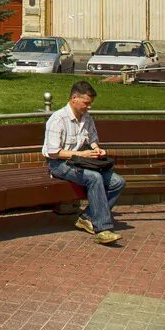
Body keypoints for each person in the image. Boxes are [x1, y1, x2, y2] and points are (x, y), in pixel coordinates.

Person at [43, 80, 125, 245]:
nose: (89, 107)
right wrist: (80, 154)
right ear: (74, 98)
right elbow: (53, 152)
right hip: (59, 164)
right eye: (86, 103)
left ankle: (86, 217)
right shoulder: (58, 119)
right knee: (94, 177)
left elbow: (92, 140)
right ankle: (103, 229)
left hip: (81, 162)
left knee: (118, 182)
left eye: (90, 103)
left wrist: (97, 150)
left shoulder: (87, 118)